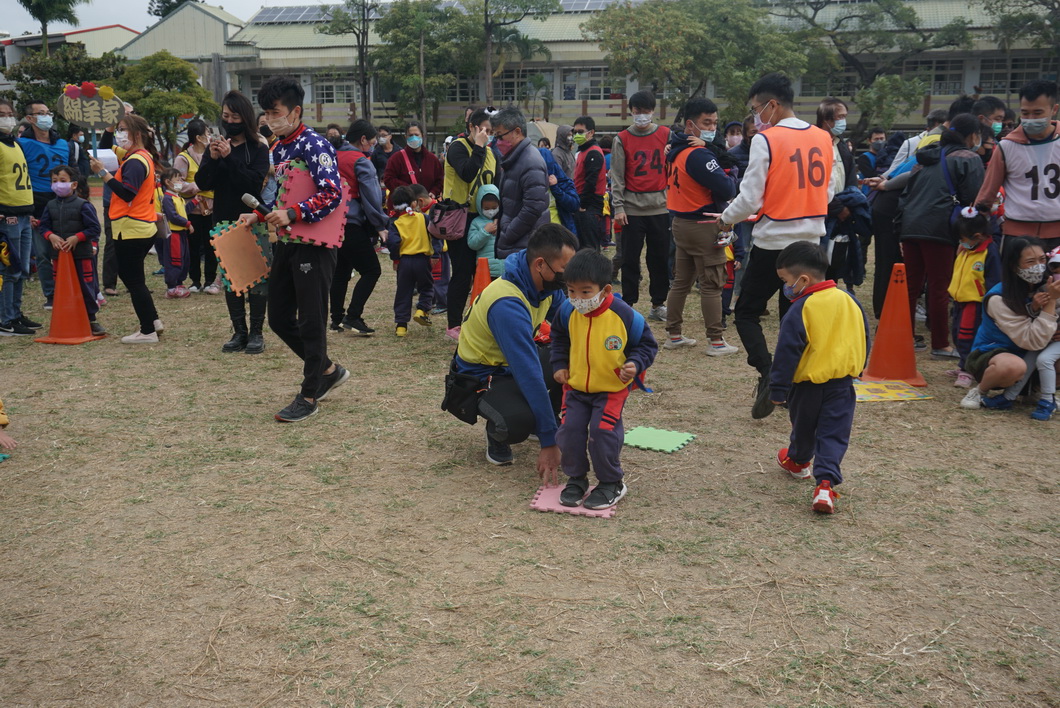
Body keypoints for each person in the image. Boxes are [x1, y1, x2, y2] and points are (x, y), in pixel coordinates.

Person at [719, 73, 836, 419]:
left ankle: (768, 371)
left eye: (756, 109)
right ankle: (790, 384)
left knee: (746, 312)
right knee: (794, 318)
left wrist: (725, 219)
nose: (756, 117)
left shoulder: (766, 140)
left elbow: (750, 198)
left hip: (774, 242)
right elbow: (829, 191)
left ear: (772, 104)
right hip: (811, 242)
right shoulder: (823, 137)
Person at [249, 76, 348, 422]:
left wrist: (292, 213)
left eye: (274, 112)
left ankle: (308, 395)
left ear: (295, 111)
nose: (269, 119)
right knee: (278, 317)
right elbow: (284, 193)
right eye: (266, 113)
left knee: (311, 320)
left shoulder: (315, 145)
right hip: (288, 242)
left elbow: (332, 193)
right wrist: (259, 214)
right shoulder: (278, 148)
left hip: (314, 246)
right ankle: (328, 370)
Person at [453, 223, 577, 475]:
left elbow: (571, 322)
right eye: (564, 270)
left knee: (573, 356)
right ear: (540, 264)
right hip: (482, 376)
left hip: (511, 365)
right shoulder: (507, 304)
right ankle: (498, 431)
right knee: (519, 421)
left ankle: (547, 417)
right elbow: (529, 373)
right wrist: (549, 441)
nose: (568, 277)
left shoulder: (546, 286)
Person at [552, 250, 658, 510]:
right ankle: (576, 479)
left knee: (603, 433)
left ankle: (611, 482)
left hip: (611, 389)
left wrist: (634, 364)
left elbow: (646, 345)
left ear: (605, 289)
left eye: (585, 292)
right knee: (569, 431)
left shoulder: (625, 315)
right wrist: (560, 364)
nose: (578, 298)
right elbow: (559, 338)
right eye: (571, 291)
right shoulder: (567, 310)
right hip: (575, 388)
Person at [770, 242, 868, 515]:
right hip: (842, 385)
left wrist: (778, 389)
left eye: (785, 281)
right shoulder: (850, 300)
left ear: (803, 279)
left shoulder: (801, 308)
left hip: (807, 387)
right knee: (833, 434)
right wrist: (859, 367)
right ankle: (825, 486)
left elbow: (787, 351)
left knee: (804, 428)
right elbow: (864, 336)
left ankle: (799, 461)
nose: (785, 287)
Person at [899, 113, 985, 357]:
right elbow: (974, 198)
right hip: (940, 228)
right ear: (973, 135)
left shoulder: (925, 158)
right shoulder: (968, 158)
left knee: (910, 287)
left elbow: (906, 194)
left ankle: (903, 337)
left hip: (911, 226)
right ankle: (940, 344)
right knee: (940, 287)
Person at [197, 90, 272, 354]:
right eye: (225, 116)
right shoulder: (214, 148)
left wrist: (230, 158)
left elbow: (252, 185)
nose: (229, 121)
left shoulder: (258, 148)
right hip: (223, 221)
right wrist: (213, 159)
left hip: (252, 220)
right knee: (232, 280)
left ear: (246, 118)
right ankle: (239, 332)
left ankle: (256, 333)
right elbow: (203, 183)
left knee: (257, 279)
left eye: (235, 117)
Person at [663, 97, 739, 355]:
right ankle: (715, 340)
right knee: (712, 283)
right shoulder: (698, 154)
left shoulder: (674, 150)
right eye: (706, 123)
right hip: (704, 223)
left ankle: (673, 334)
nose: (712, 128)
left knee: (681, 281)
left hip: (680, 222)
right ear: (690, 124)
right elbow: (727, 188)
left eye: (715, 123)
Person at [960, 237, 1060, 410]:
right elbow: (1032, 341)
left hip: (1032, 352)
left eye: (1042, 259)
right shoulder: (999, 298)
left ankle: (1035, 390)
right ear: (1014, 266)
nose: (1039, 266)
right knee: (1013, 366)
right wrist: (1051, 301)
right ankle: (980, 391)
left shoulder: (1048, 285)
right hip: (996, 353)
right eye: (1030, 262)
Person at [89, 114, 163, 344]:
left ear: (137, 134)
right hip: (139, 225)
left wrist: (103, 173)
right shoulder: (137, 155)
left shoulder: (135, 161)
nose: (119, 134)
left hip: (132, 226)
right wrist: (109, 127)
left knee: (133, 279)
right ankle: (153, 321)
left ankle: (147, 331)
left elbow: (127, 193)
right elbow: (104, 148)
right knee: (134, 277)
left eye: (122, 129)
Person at [975, 80, 1060, 252]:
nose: (1030, 119)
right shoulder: (1007, 146)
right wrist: (973, 225)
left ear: (1054, 110)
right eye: (1025, 113)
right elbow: (987, 193)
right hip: (1017, 235)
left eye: (1037, 113)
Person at [611, 90, 672, 321]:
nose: (642, 115)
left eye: (646, 111)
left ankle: (658, 304)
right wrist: (618, 207)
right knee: (629, 259)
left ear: (653, 111)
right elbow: (617, 175)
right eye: (637, 111)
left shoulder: (666, 135)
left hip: (660, 207)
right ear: (631, 111)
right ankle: (628, 304)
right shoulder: (622, 138)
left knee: (659, 259)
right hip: (632, 209)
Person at [442, 108, 497, 339]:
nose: (487, 135)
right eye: (484, 130)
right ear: (472, 127)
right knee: (463, 271)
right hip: (460, 218)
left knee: (485, 270)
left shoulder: (491, 153)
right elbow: (467, 173)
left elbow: (496, 182)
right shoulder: (458, 147)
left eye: (491, 131)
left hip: (484, 218)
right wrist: (479, 147)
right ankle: (454, 324)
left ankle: (482, 320)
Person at [332, 119, 389, 335]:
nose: (373, 146)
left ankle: (336, 318)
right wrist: (380, 224)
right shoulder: (361, 161)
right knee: (372, 270)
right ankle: (353, 316)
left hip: (331, 223)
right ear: (363, 139)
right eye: (372, 142)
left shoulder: (332, 155)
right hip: (352, 222)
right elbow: (371, 196)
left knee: (341, 271)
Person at [38, 165, 104, 334]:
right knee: (62, 286)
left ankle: (91, 319)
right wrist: (50, 236)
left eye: (62, 180)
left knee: (86, 286)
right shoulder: (50, 205)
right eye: (54, 181)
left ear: (74, 184)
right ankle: (67, 318)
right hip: (59, 257)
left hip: (82, 255)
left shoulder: (83, 205)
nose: (58, 184)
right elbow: (43, 227)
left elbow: (94, 228)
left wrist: (77, 237)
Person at [18, 99, 69, 309]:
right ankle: (51, 295)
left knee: (66, 250)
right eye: (41, 113)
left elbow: (74, 173)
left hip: (62, 202)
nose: (46, 117)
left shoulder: (63, 144)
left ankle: (71, 290)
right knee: (42, 254)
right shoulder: (21, 144)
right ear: (30, 118)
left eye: (48, 112)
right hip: (36, 204)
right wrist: (27, 210)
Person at [947, 208, 1002, 388]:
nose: (961, 242)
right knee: (956, 333)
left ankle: (968, 370)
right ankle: (963, 363)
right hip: (959, 300)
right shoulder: (965, 249)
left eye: (963, 238)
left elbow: (994, 280)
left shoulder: (989, 252)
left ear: (977, 236)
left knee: (967, 336)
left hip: (974, 302)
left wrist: (989, 302)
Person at [491, 107, 551, 257]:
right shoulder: (514, 159)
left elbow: (533, 208)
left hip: (525, 245)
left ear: (517, 131)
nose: (497, 142)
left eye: (500, 136)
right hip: (519, 242)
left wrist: (508, 233)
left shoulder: (530, 162)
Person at [0, 98, 37, 336]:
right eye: (2, 114)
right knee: (9, 270)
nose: (7, 118)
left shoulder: (14, 143)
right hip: (7, 216)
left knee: (22, 269)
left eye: (9, 114)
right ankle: (5, 319)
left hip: (23, 214)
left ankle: (15, 313)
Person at [386, 184, 440, 336]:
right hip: (423, 260)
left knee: (403, 291)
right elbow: (435, 235)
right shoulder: (424, 218)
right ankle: (422, 310)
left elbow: (393, 243)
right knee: (427, 287)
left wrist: (395, 259)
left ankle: (401, 326)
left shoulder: (395, 223)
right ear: (414, 203)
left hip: (404, 262)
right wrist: (435, 254)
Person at [173, 119, 219, 294]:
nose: (210, 136)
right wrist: (197, 187)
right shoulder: (183, 158)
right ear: (199, 137)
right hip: (192, 209)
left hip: (212, 208)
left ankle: (209, 280)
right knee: (193, 245)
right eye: (207, 133)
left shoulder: (213, 154)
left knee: (211, 245)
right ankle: (195, 281)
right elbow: (177, 185)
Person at [1028, 247, 1060, 420]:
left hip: (1054, 341)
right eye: (1055, 268)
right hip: (1046, 338)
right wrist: (1034, 306)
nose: (1058, 272)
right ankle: (1009, 396)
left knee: (1044, 359)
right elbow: (1032, 317)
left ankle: (1047, 400)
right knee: (1028, 358)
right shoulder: (1043, 289)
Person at [383, 120, 444, 207]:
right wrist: (410, 191)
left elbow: (439, 180)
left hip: (426, 207)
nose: (414, 138)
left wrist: (433, 192)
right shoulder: (396, 159)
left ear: (422, 135)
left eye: (416, 135)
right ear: (406, 137)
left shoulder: (433, 159)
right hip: (403, 208)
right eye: (410, 135)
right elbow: (388, 179)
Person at [571, 115, 606, 251]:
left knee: (589, 247)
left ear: (591, 132)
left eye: (580, 132)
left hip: (589, 205)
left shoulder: (593, 153)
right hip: (583, 203)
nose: (576, 135)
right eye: (575, 132)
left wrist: (583, 204)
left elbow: (591, 181)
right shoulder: (583, 151)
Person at [157, 167, 191, 300]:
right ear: (167, 182)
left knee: (184, 259)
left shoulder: (178, 197)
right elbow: (173, 216)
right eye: (177, 179)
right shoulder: (167, 198)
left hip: (181, 233)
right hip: (174, 234)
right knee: (174, 260)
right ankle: (171, 287)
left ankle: (179, 283)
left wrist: (195, 202)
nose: (180, 182)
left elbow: (183, 211)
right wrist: (187, 224)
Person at [466, 185, 504, 277]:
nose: (491, 211)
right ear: (480, 206)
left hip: (505, 270)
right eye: (486, 208)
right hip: (486, 271)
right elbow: (472, 244)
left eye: (494, 208)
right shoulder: (476, 222)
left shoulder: (504, 220)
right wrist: (485, 231)